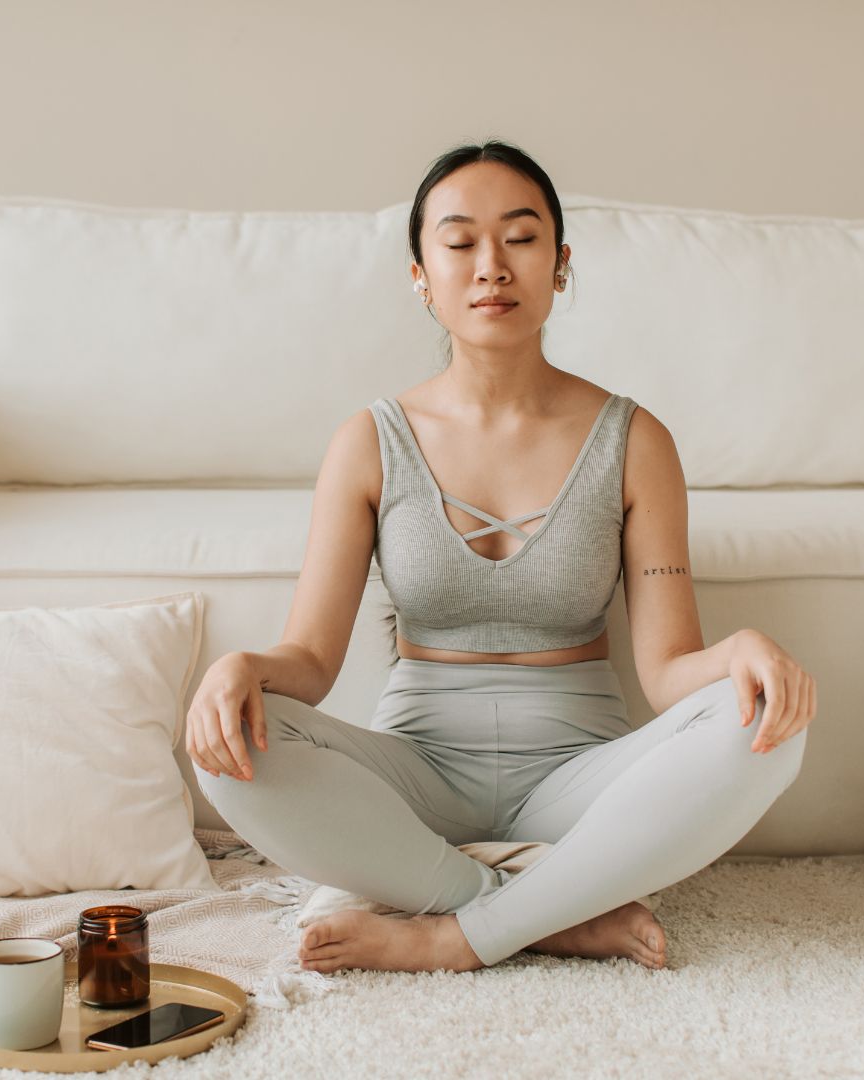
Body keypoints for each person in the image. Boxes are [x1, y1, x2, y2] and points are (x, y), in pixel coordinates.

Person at [187, 139, 816, 975]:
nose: (491, 266)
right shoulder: (368, 442)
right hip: (415, 784)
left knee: (770, 730)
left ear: (559, 265)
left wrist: (738, 654)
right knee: (229, 750)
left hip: (579, 786)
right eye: (459, 243)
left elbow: (666, 671)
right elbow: (309, 660)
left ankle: (455, 931)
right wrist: (242, 667)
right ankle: (544, 914)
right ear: (421, 274)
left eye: (520, 239)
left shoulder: (635, 440)